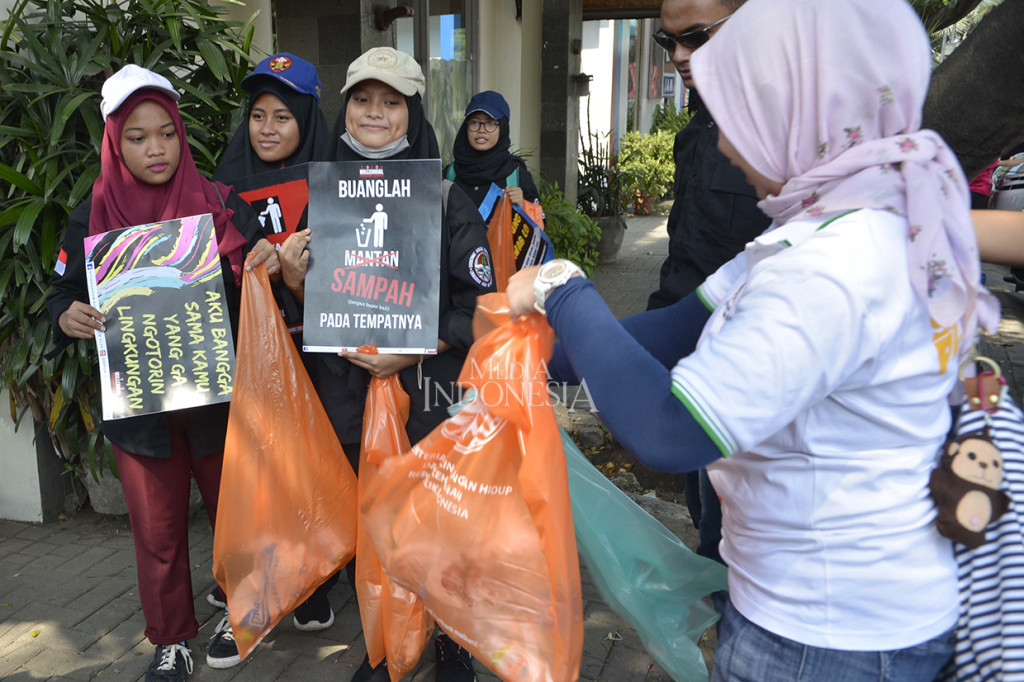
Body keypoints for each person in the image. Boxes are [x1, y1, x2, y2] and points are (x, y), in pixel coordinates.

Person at [507, 0, 998, 679]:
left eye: (741, 115)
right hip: (817, 611)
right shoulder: (827, 225)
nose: (729, 146)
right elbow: (675, 330)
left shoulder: (832, 269)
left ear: (801, 112)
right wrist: (509, 353)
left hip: (831, 639)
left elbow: (671, 429)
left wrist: (560, 287)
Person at [45, 65, 277, 682]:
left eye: (167, 134)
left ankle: (243, 613)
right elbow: (60, 291)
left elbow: (261, 278)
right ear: (114, 143)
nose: (156, 149)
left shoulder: (219, 201)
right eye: (138, 137)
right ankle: (171, 639)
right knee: (158, 532)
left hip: (216, 402)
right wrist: (66, 313)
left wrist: (264, 263)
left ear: (181, 135)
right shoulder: (91, 213)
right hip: (142, 410)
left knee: (235, 515)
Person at [277, 47, 494, 682]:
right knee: (378, 530)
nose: (375, 112)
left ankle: (451, 645)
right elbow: (320, 307)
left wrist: (419, 343)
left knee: (437, 525)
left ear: (412, 112)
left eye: (391, 101)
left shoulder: (448, 197)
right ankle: (384, 647)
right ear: (344, 107)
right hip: (350, 399)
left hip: (425, 395)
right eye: (363, 99)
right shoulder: (327, 193)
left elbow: (480, 310)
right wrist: (293, 280)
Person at [206, 52, 336, 664]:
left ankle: (313, 586)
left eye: (283, 115)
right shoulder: (221, 188)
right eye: (257, 115)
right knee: (263, 469)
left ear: (307, 118)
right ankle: (257, 589)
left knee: (311, 467)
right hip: (253, 360)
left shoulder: (337, 181)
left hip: (319, 357)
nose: (267, 128)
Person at [648, 0, 768, 573]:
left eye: (695, 38)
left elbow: (661, 437)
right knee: (705, 514)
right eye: (666, 41)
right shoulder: (699, 127)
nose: (678, 57)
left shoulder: (821, 256)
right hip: (695, 358)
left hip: (746, 395)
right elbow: (692, 269)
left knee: (728, 549)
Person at [444, 90, 539, 222]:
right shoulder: (451, 174)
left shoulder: (515, 175)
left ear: (503, 128)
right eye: (475, 122)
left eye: (490, 123)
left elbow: (539, 225)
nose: (481, 130)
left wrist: (523, 206)